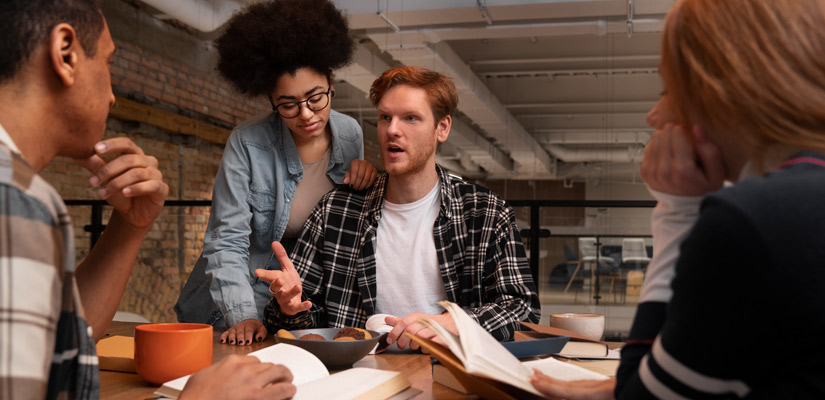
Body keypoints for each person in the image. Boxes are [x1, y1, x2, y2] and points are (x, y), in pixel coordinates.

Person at [0, 1, 295, 398]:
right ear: (65, 53)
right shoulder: (17, 201)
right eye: (107, 64)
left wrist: (132, 224)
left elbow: (64, 339)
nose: (112, 96)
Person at [533, 0, 825, 398]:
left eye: (670, 90)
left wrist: (677, 212)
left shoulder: (756, 219)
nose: (655, 116)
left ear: (723, 89)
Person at [257, 66, 541, 349]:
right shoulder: (335, 211)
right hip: (359, 377)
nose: (392, 130)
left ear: (442, 128)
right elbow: (298, 324)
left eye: (411, 118)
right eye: (385, 117)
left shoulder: (485, 213)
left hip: (449, 374)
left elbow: (523, 311)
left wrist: (454, 323)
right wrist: (289, 309)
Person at [174, 0, 377, 347]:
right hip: (236, 303)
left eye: (316, 98)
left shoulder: (350, 134)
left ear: (330, 82)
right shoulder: (248, 143)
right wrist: (243, 316)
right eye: (288, 104)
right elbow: (226, 240)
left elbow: (341, 226)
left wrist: (366, 178)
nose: (306, 114)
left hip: (302, 307)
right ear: (270, 98)